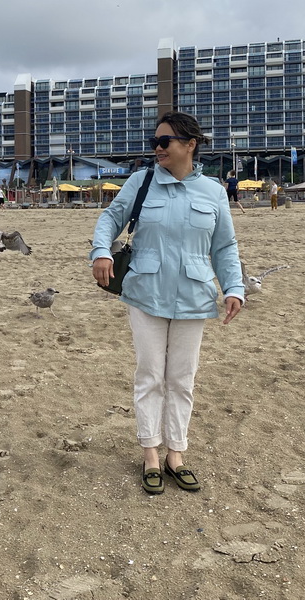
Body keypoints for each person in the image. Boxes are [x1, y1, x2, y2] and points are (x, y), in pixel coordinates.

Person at [90, 112, 243, 495]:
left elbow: (224, 245)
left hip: (194, 296)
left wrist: (234, 287)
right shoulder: (141, 182)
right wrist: (100, 253)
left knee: (181, 379)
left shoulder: (212, 191)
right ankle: (151, 455)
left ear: (189, 145)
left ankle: (176, 453)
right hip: (145, 292)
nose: (156, 149)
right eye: (154, 142)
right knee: (150, 375)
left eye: (164, 142)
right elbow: (111, 218)